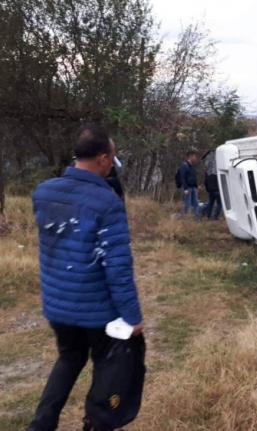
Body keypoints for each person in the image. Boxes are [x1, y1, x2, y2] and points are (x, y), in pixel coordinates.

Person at [28, 125, 143, 431]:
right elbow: (117, 268)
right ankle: (96, 424)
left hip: (58, 305)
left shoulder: (43, 193)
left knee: (68, 359)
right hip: (97, 312)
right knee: (107, 369)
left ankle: (41, 425)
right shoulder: (106, 203)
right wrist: (132, 317)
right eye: (113, 157)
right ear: (104, 158)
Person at [179, 150, 199, 216]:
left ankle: (196, 218)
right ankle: (186, 217)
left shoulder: (192, 166)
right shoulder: (184, 165)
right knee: (188, 203)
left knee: (196, 203)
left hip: (193, 187)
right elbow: (183, 178)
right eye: (194, 156)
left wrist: (196, 187)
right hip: (187, 187)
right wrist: (185, 189)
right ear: (191, 157)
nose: (195, 158)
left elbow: (194, 177)